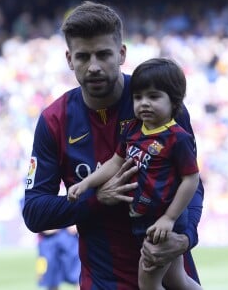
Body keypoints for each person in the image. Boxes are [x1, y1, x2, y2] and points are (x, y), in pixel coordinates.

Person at [22, 1, 204, 290]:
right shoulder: (54, 121)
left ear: (121, 54)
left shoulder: (163, 105)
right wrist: (95, 199)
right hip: (103, 281)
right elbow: (34, 211)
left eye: (103, 54)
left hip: (169, 275)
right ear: (70, 59)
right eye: (83, 56)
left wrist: (185, 238)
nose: (93, 66)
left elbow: (192, 183)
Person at [68, 58, 202, 290]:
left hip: (161, 221)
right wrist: (86, 183)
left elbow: (191, 179)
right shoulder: (133, 130)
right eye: (138, 97)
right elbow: (114, 163)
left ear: (174, 100)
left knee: (147, 283)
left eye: (154, 97)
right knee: (176, 279)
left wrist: (169, 218)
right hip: (144, 217)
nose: (144, 103)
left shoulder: (176, 137)